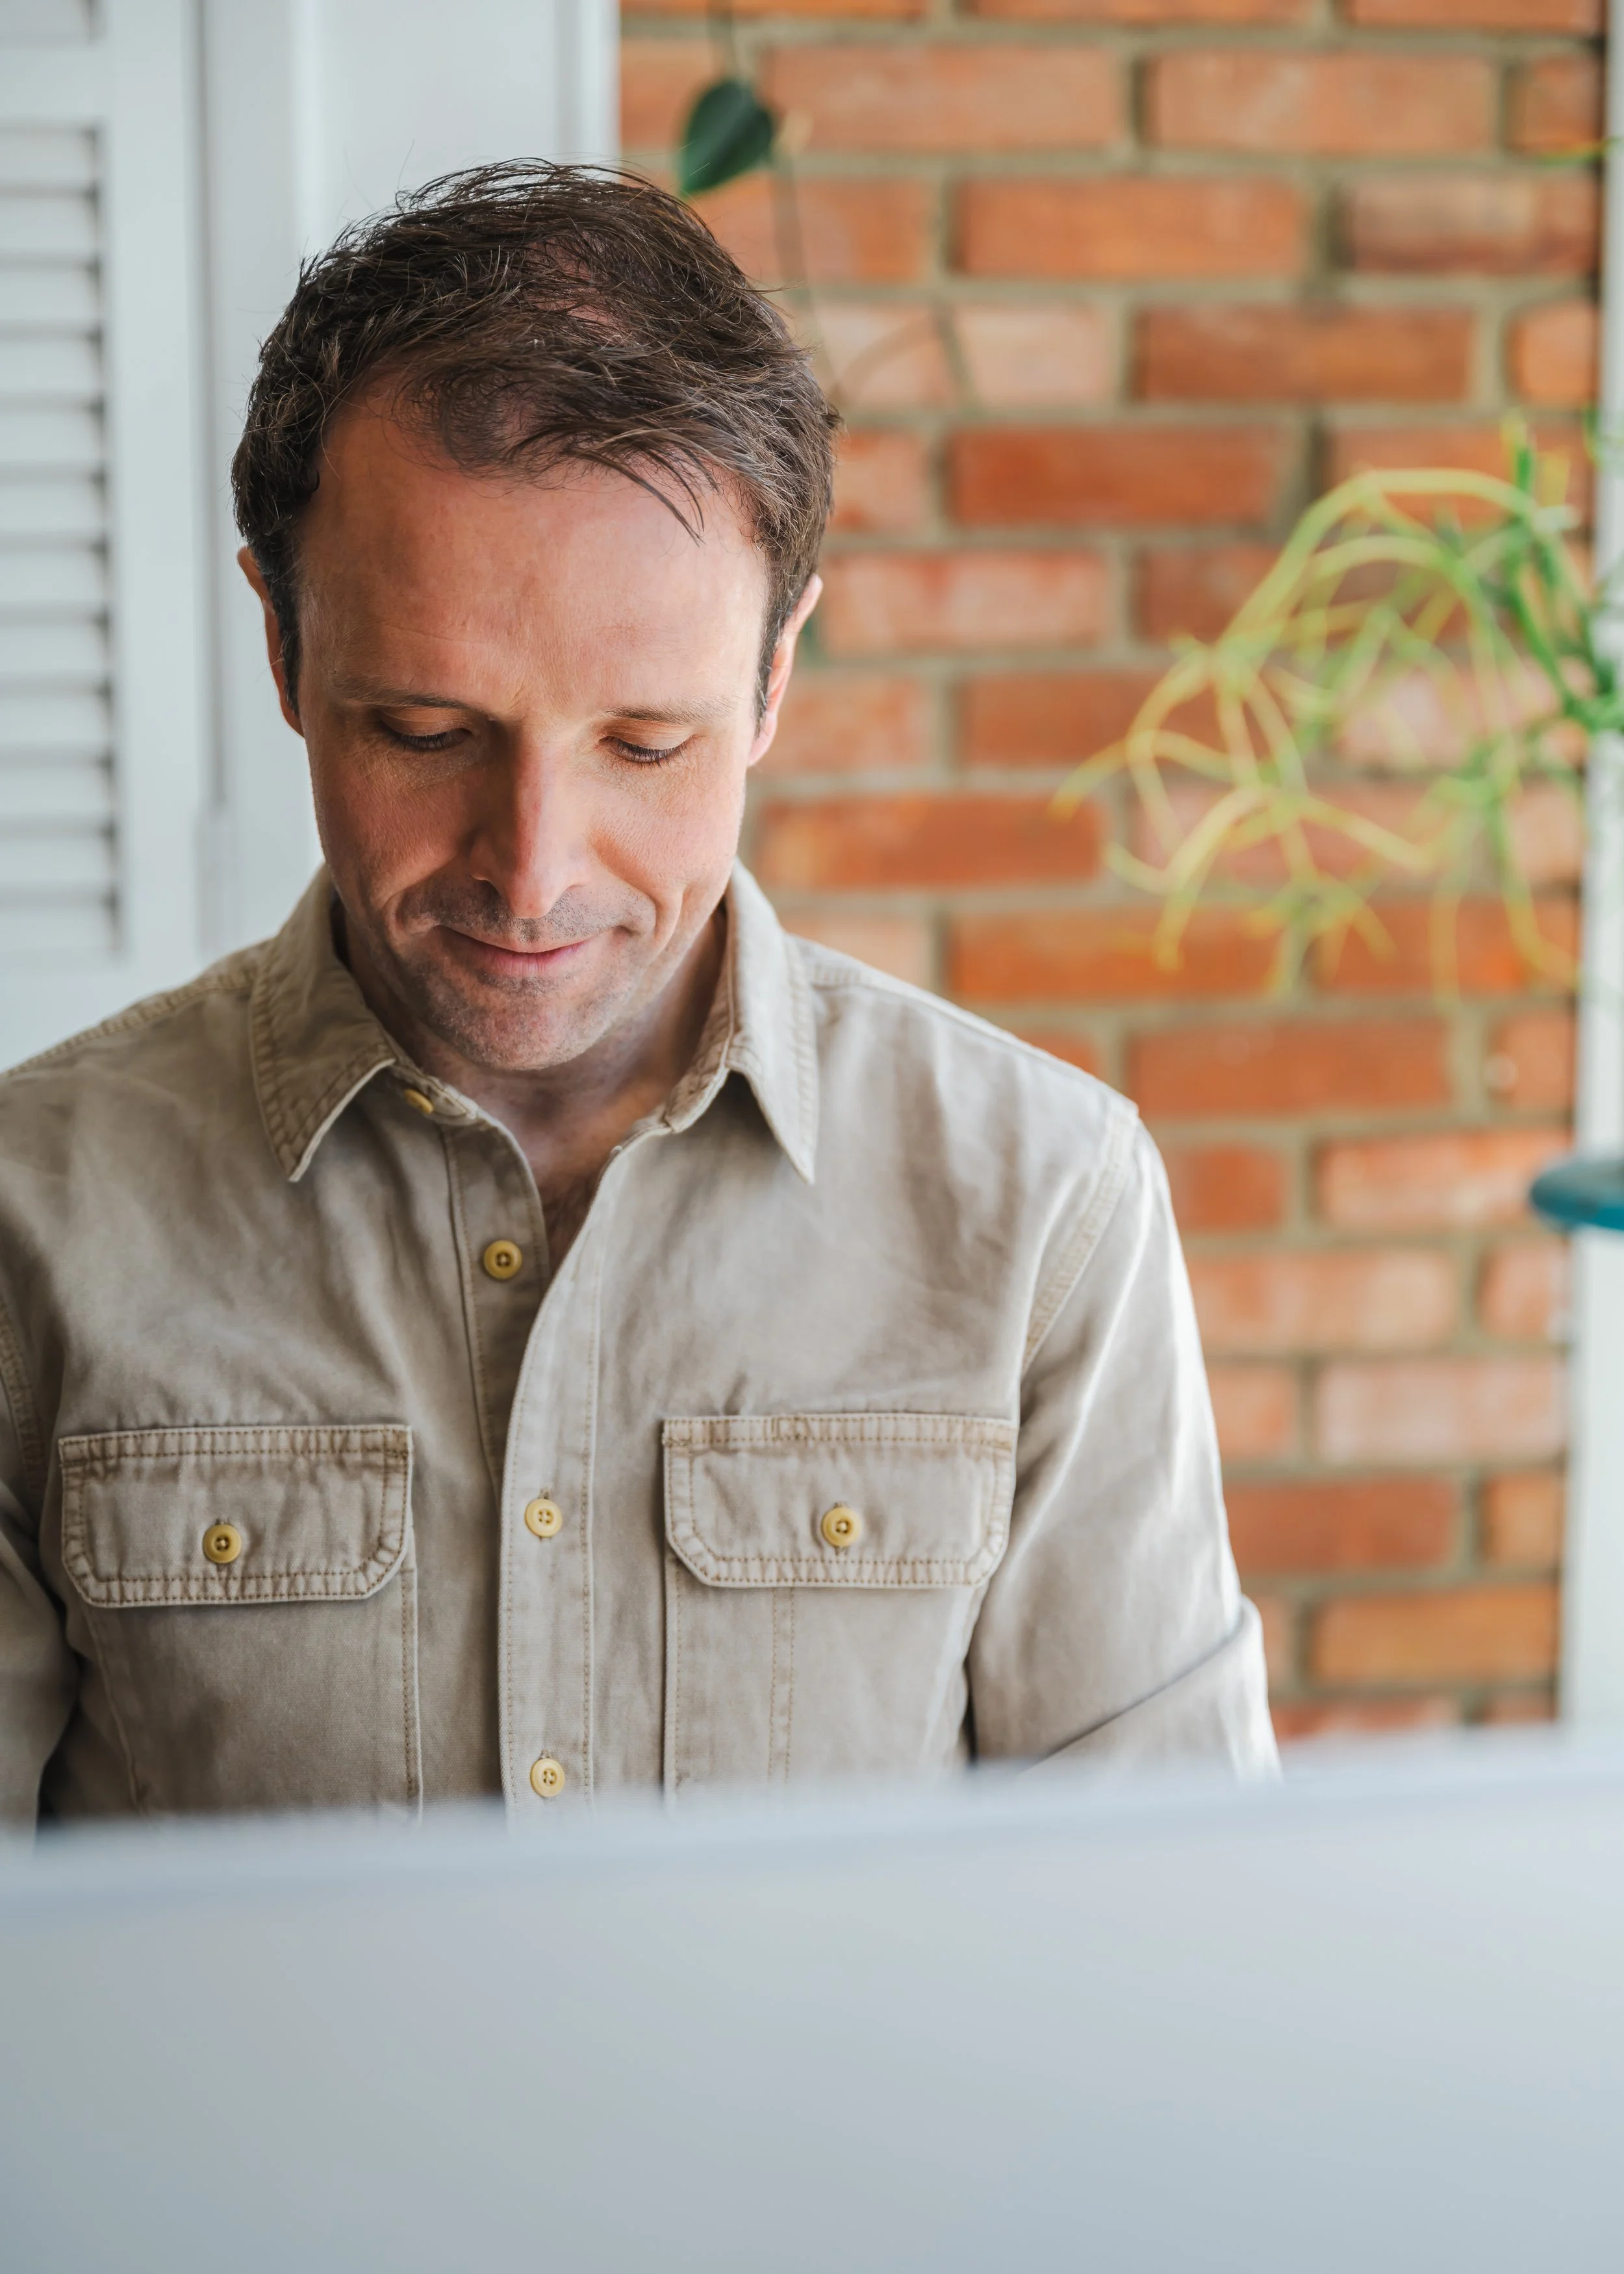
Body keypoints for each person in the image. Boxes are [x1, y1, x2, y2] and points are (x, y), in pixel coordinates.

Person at [0, 164, 1273, 1824]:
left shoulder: (1043, 1207)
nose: (532, 872)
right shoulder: (34, 1214)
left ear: (773, 676)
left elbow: (1166, 1941)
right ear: (284, 649)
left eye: (643, 746)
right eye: (424, 733)